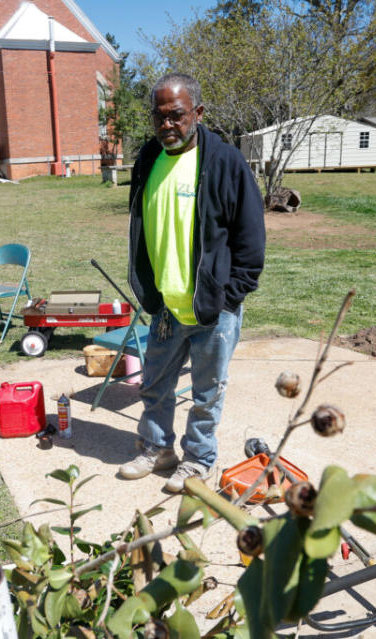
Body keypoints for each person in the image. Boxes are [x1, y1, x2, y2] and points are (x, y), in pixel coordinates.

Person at [119, 72, 266, 493]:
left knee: (207, 393)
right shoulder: (148, 159)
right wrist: (150, 291)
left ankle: (198, 460)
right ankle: (157, 449)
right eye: (159, 117)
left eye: (177, 116)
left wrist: (229, 296)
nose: (168, 125)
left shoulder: (224, 162)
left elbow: (251, 236)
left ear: (198, 113)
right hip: (166, 305)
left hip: (211, 306)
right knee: (155, 386)